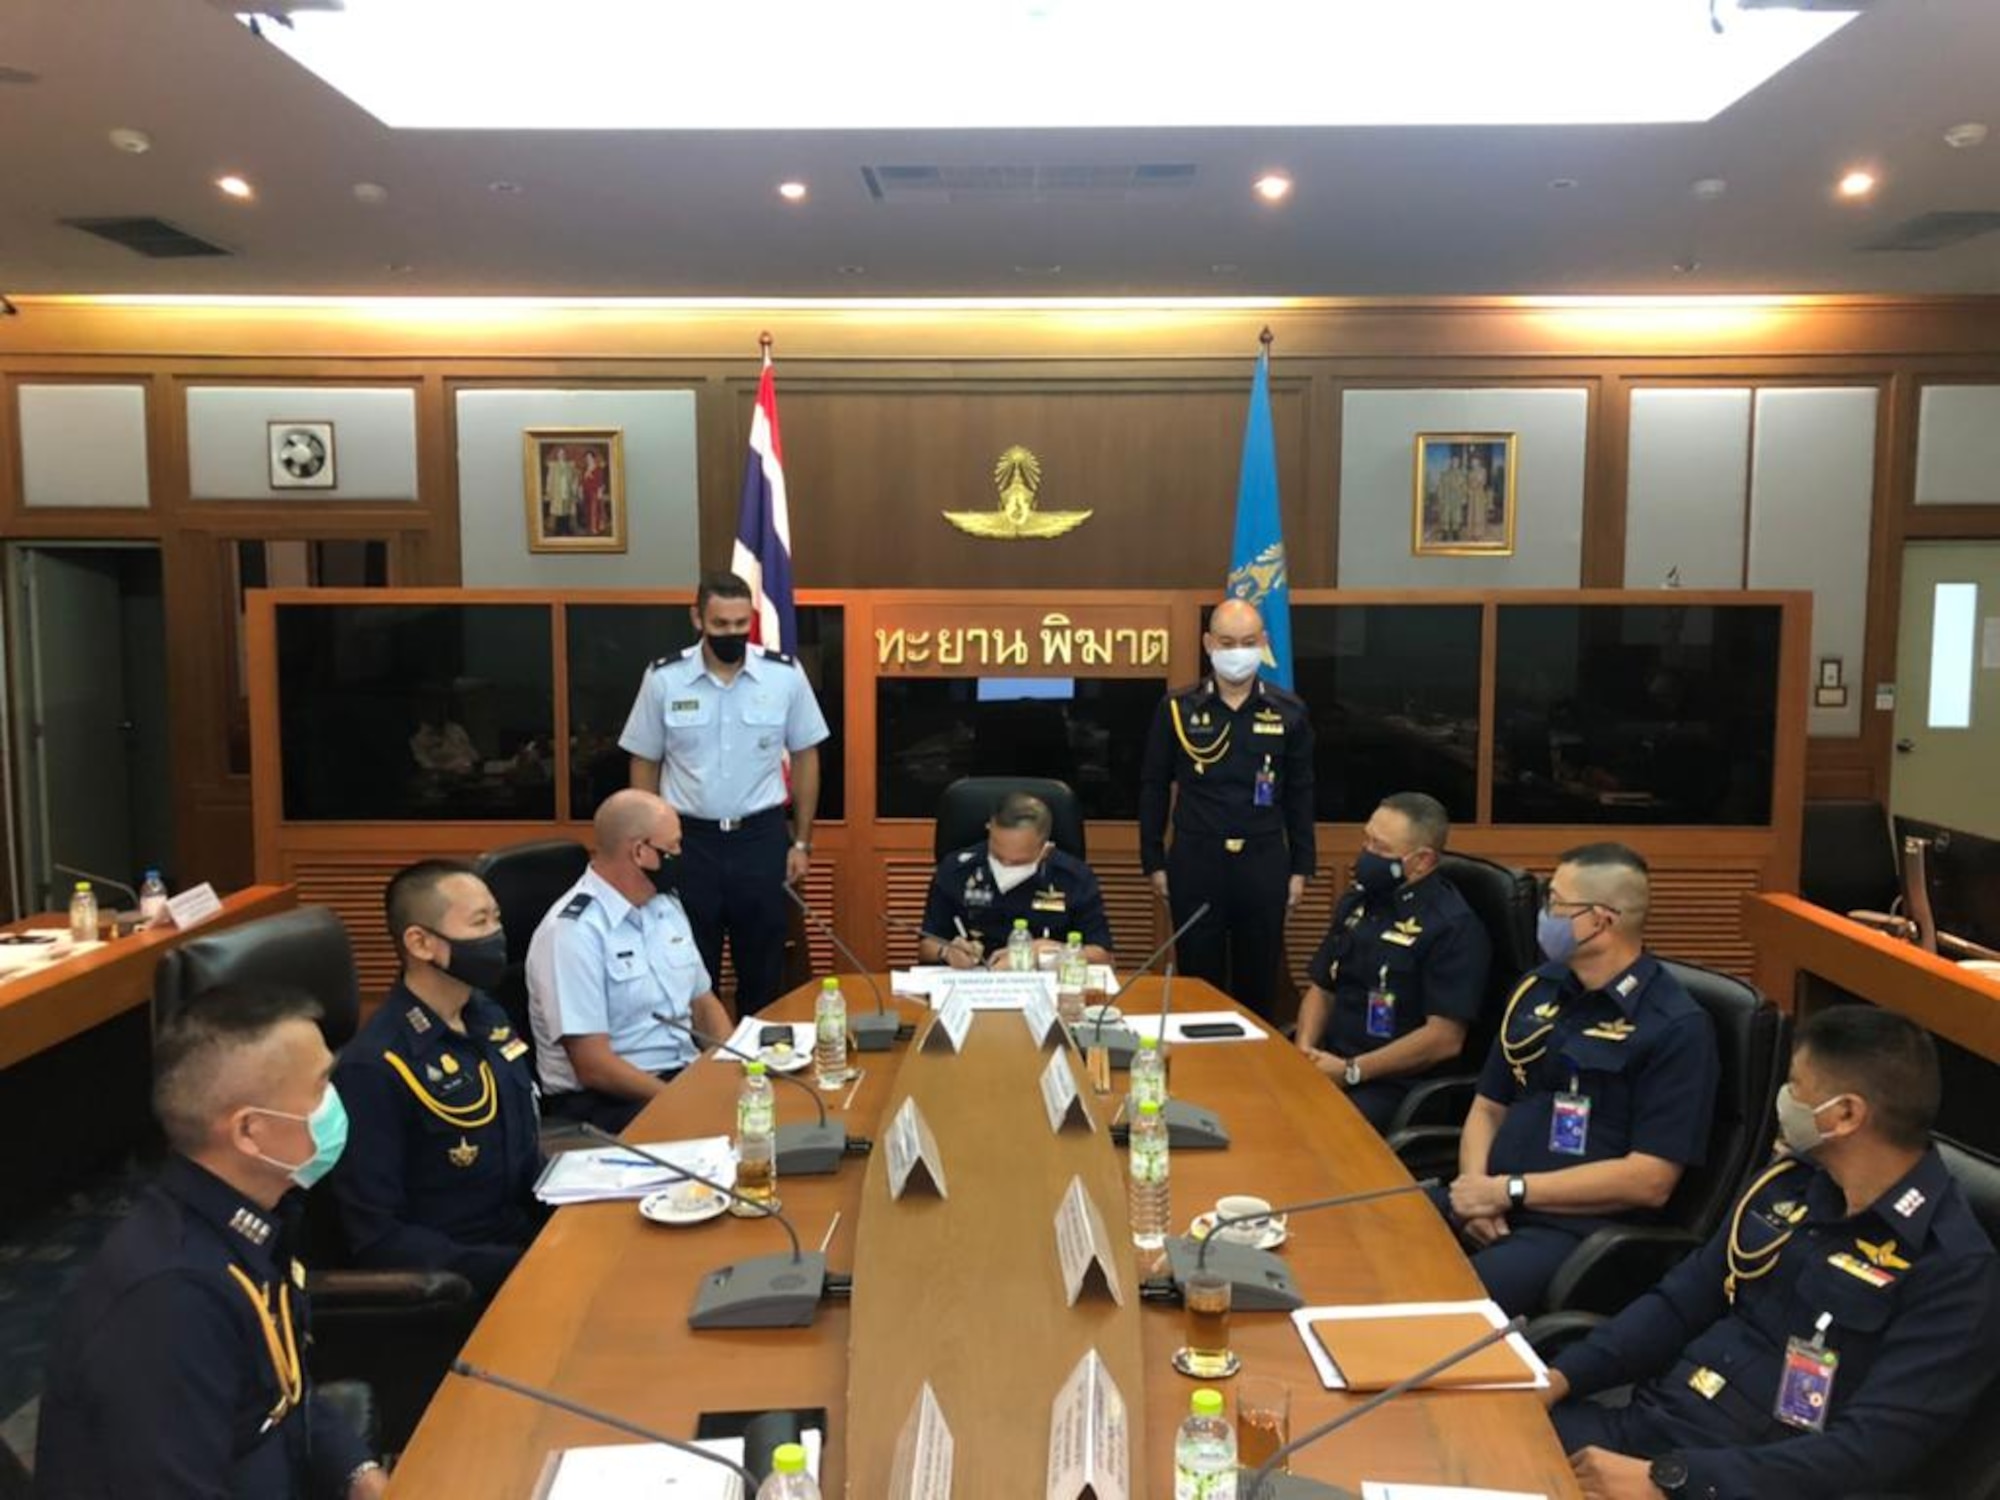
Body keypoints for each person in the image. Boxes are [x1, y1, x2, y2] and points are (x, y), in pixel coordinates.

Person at [1545, 1006, 2000, 1500]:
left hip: (1736, 1482)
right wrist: (1561, 1376)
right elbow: (1681, 1302)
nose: (1785, 1101)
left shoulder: (1952, 1267)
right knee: (1470, 1437)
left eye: (1796, 1085)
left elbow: (1869, 1452)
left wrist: (1672, 1481)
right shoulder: (1791, 1185)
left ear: (1846, 1114)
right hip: (1651, 1426)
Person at [35, 986, 385, 1500]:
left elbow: (287, 1395)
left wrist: (362, 1476)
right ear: (249, 1131)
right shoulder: (169, 1302)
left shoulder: (253, 1220)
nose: (336, 1101)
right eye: (322, 1085)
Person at [1435, 842, 1720, 1315]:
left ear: (1600, 920)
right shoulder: (1537, 988)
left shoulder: (1676, 1027)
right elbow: (1488, 1105)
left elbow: (1650, 1180)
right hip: (1483, 1199)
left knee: (1439, 1305)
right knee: (1363, 1245)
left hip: (1570, 1234)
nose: (1543, 913)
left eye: (1555, 903)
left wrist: (1509, 1190)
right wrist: (1474, 1186)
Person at [325, 860, 544, 1298]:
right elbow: (378, 1238)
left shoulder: (488, 1016)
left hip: (528, 1244)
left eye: (496, 918)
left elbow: (523, 1160)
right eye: (479, 922)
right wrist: (523, 1269)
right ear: (421, 943)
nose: (496, 935)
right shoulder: (376, 1066)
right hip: (461, 1284)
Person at [620, 571, 830, 1015]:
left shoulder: (784, 676)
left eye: (740, 624)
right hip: (688, 842)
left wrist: (802, 841)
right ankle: (699, 1074)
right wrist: (647, 841)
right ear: (698, 618)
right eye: (721, 625)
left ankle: (765, 1063)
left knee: (765, 967)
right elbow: (644, 761)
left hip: (761, 838)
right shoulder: (664, 679)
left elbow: (807, 755)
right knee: (691, 966)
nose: (732, 634)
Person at [1138, 597, 1314, 1021]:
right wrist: (1153, 861)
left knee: (1259, 984)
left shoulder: (1289, 711)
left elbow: (1302, 793)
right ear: (1208, 643)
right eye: (1228, 641)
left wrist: (1301, 869)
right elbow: (1153, 786)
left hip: (1263, 860)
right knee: (1199, 983)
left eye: (1248, 641)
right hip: (1197, 859)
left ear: (1264, 643)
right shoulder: (1178, 709)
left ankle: (1254, 1078)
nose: (1238, 651)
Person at [526, 788, 733, 1131]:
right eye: (674, 847)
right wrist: (680, 1100)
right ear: (640, 852)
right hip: (608, 1100)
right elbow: (593, 1065)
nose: (682, 855)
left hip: (679, 1077)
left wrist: (726, 1070)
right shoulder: (573, 933)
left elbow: (704, 1003)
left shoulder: (665, 906)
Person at [1294, 792, 1490, 1134]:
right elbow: (1323, 987)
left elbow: (1444, 1038)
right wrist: (1305, 1050)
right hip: (1331, 1062)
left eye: (1380, 849)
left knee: (1309, 1131)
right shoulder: (1360, 901)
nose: (1366, 854)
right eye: (1366, 840)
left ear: (1422, 861)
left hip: (1395, 1086)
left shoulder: (1453, 927)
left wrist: (1352, 1070)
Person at [918, 791, 1115, 968]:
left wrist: (1047, 952)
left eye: (1018, 861)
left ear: (1045, 848)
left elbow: (1104, 956)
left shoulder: (1074, 877)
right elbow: (925, 947)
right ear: (989, 828)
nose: (1005, 864)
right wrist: (947, 951)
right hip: (974, 983)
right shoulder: (955, 870)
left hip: (1048, 987)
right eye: (997, 854)